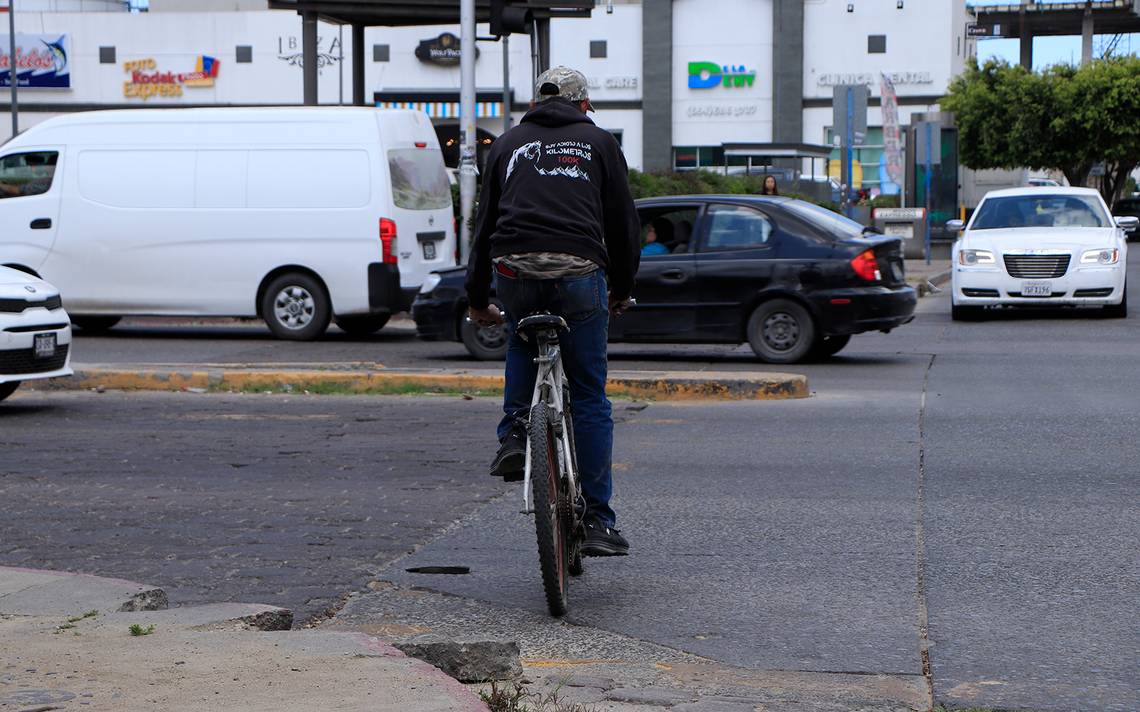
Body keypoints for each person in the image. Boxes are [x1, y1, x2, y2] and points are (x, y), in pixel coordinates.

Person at [465, 66, 641, 557]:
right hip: (581, 272)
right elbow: (624, 225)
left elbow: (484, 229)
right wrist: (623, 289)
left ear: (535, 105)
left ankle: (515, 434)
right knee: (589, 395)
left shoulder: (505, 145)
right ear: (583, 105)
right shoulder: (600, 143)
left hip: (515, 272)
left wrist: (478, 300)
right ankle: (600, 522)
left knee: (521, 336)